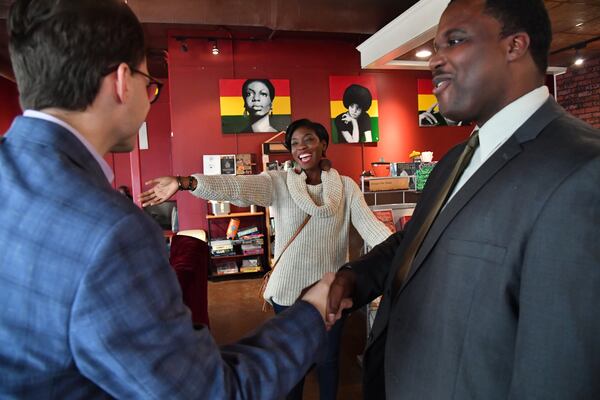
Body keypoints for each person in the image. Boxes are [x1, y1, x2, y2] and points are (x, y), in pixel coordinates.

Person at [0, 1, 348, 398]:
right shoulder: (115, 232)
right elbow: (205, 392)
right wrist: (313, 312)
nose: (150, 98)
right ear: (121, 82)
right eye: (150, 83)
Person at [327, 0, 600, 399]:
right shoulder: (459, 156)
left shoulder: (581, 170)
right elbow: (416, 241)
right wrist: (354, 277)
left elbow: (559, 372)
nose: (435, 60)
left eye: (454, 41)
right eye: (436, 47)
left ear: (515, 46)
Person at [140, 118, 392, 399]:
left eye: (308, 139)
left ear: (323, 143)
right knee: (293, 362)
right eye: (294, 143)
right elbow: (235, 187)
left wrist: (408, 249)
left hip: (329, 291)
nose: (301, 147)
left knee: (329, 360)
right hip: (287, 292)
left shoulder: (346, 187)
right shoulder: (278, 183)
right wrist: (184, 182)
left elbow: (373, 229)